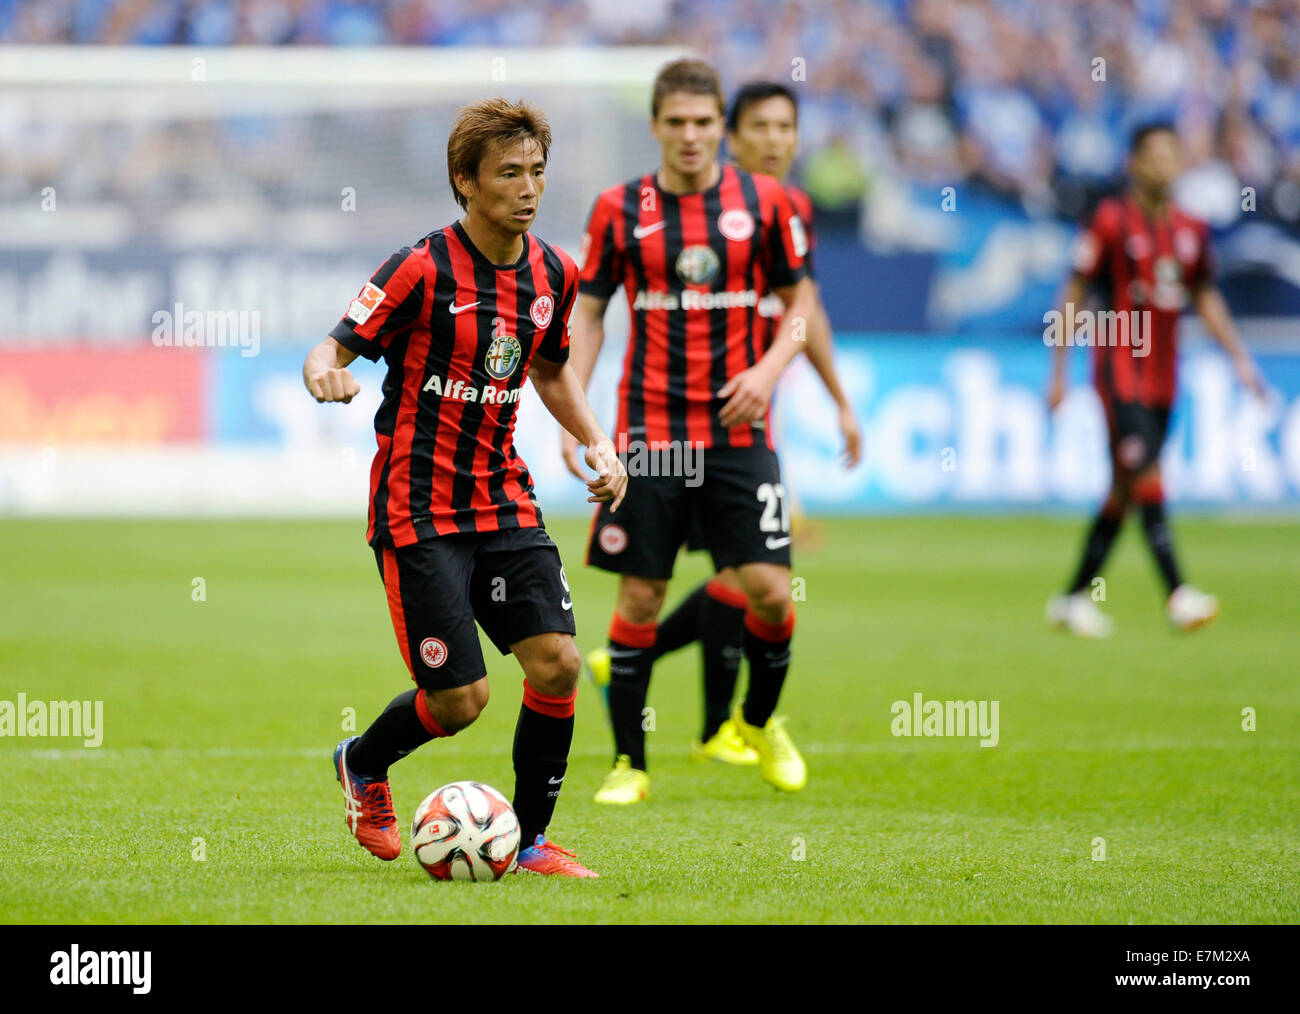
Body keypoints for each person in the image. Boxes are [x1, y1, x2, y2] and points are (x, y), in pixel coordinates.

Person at [303, 97, 626, 876]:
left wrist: (597, 442)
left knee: (557, 664)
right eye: (509, 173)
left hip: (503, 499)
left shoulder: (554, 273)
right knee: (461, 702)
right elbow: (332, 347)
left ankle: (535, 841)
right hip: (417, 510)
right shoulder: (420, 268)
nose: (528, 188)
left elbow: (550, 371)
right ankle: (363, 762)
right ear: (466, 182)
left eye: (537, 172)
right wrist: (326, 375)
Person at [569, 80, 863, 767]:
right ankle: (679, 740)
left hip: (742, 416)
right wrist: (575, 410)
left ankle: (732, 723)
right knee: (665, 586)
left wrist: (806, 387)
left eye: (785, 127)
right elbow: (590, 309)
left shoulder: (778, 207)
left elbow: (803, 309)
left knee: (754, 581)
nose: (773, 139)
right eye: (759, 126)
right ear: (660, 126)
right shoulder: (626, 208)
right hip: (657, 428)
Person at [1046, 122, 1266, 637]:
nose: (1165, 164)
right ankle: (1178, 594)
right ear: (1134, 164)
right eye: (1155, 155)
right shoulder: (1109, 221)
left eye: (1174, 154)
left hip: (1166, 378)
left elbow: (1205, 296)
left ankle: (1073, 597)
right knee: (1146, 474)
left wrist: (1240, 358)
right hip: (1118, 370)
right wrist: (1057, 369)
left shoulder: (1191, 229)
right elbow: (1074, 291)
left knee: (1125, 491)